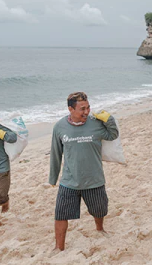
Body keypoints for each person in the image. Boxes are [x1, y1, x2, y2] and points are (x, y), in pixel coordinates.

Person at [49, 92, 119, 251]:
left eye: (88, 107)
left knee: (99, 210)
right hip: (69, 180)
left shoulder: (96, 123)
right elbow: (55, 153)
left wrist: (109, 119)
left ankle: (100, 229)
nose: (86, 112)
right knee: (60, 214)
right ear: (70, 109)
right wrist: (53, 178)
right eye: (82, 109)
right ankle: (58, 247)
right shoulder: (60, 127)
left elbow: (113, 134)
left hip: (94, 179)